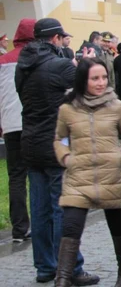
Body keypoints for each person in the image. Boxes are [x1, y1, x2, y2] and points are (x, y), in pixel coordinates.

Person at [16, 18, 100, 285]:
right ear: (54, 39)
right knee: (62, 208)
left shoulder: (24, 65)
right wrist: (87, 63)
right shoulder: (59, 65)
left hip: (30, 142)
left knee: (39, 210)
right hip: (56, 143)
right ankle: (71, 268)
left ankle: (44, 267)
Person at [53, 58, 121, 287]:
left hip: (111, 175)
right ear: (83, 80)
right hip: (78, 177)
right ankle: (62, 279)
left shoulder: (116, 106)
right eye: (95, 78)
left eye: (103, 78)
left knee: (117, 226)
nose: (101, 83)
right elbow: (58, 138)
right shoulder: (67, 108)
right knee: (71, 225)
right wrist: (65, 156)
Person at [0, 19, 35, 243]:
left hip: (11, 124)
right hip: (34, 123)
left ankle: (19, 229)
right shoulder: (39, 58)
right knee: (39, 176)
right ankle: (40, 224)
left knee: (16, 177)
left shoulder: (3, 60)